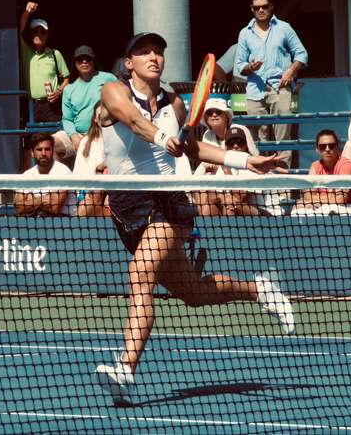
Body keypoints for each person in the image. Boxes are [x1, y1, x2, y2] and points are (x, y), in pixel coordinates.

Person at [95, 31, 295, 404]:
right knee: (195, 293)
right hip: (125, 207)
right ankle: (259, 289)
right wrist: (160, 138)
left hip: (168, 203)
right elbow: (134, 122)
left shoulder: (175, 104)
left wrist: (245, 161)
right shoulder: (112, 91)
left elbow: (193, 147)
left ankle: (125, 368)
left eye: (158, 51)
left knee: (140, 275)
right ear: (129, 63)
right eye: (144, 52)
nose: (154, 56)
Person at [234, 0, 308, 167]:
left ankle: (282, 185)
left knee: (284, 138)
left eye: (264, 6)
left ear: (271, 7)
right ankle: (262, 186)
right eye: (256, 7)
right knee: (257, 140)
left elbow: (302, 54)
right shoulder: (245, 33)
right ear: (251, 9)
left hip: (281, 87)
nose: (260, 10)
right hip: (254, 91)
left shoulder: (284, 28)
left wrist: (291, 70)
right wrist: (250, 68)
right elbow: (239, 66)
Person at [292, 130, 351, 216]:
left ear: (337, 148)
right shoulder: (315, 166)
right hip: (329, 207)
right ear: (317, 150)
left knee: (329, 209)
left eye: (331, 146)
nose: (327, 149)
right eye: (323, 146)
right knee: (297, 210)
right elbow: (307, 196)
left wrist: (315, 200)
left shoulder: (346, 165)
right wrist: (322, 201)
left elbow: (340, 199)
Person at [194, 127, 268, 217]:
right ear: (226, 147)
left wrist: (227, 172)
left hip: (258, 212)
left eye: (239, 143)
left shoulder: (252, 165)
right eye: (231, 143)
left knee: (231, 206)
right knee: (209, 207)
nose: (235, 146)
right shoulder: (217, 164)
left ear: (245, 145)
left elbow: (242, 197)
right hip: (228, 207)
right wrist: (223, 198)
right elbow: (208, 195)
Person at [18, 2, 70, 123]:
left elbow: (67, 79)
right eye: (35, 31)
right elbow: (18, 31)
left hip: (51, 106)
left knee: (53, 138)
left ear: (48, 35)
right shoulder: (26, 51)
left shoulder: (55, 54)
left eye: (43, 32)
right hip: (31, 105)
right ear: (30, 34)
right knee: (33, 139)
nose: (39, 34)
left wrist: (58, 92)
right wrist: (27, 12)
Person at [62, 45, 117, 152]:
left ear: (93, 61)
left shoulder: (109, 78)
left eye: (88, 59)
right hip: (78, 134)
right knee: (54, 145)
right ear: (75, 63)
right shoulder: (69, 89)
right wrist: (73, 136)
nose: (84, 62)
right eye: (80, 59)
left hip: (104, 132)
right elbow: (67, 119)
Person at [15, 133, 77, 217]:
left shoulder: (63, 172)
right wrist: (45, 199)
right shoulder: (27, 175)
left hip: (62, 220)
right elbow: (19, 208)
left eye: (47, 149)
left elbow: (54, 207)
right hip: (33, 220)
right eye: (39, 149)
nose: (43, 153)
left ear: (52, 151)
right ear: (32, 153)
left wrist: (32, 199)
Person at [72, 102, 110, 218]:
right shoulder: (86, 142)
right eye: (100, 116)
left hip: (113, 194)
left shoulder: (123, 142)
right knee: (84, 209)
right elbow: (78, 177)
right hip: (90, 193)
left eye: (107, 116)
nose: (103, 119)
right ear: (95, 119)